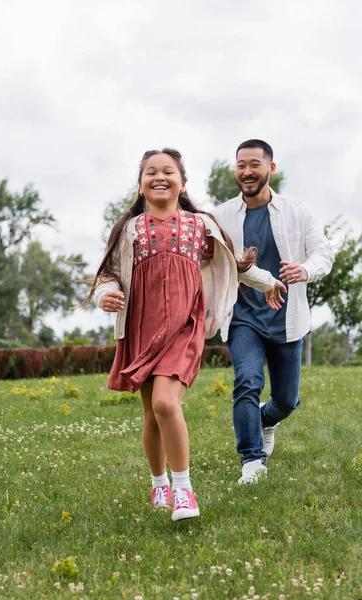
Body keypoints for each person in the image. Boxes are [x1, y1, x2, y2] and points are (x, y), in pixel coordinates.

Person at [82, 148, 285, 520]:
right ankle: (159, 485)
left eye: (168, 171)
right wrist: (103, 295)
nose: (159, 177)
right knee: (151, 413)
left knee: (164, 403)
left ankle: (183, 491)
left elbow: (231, 262)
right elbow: (108, 273)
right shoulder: (130, 229)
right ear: (141, 186)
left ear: (183, 183)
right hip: (141, 329)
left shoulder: (199, 225)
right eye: (150, 173)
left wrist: (269, 281)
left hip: (184, 326)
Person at [213, 139, 334, 484]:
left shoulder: (298, 212)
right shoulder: (221, 216)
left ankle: (265, 420)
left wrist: (305, 270)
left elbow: (323, 253)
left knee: (286, 400)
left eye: (254, 164)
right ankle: (252, 462)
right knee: (247, 382)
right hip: (242, 317)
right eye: (241, 165)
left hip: (288, 318)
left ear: (271, 168)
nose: (247, 172)